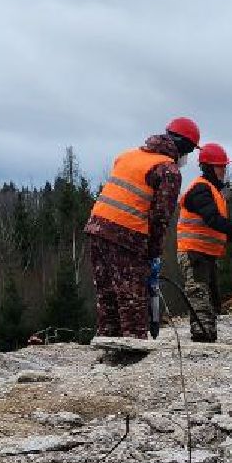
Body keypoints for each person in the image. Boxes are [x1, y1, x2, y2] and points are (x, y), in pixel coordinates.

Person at [84, 117, 198, 338]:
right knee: (132, 299)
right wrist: (153, 253)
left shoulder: (128, 155)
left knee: (107, 294)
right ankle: (133, 353)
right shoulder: (168, 170)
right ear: (184, 147)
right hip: (127, 236)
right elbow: (160, 217)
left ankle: (108, 344)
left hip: (97, 228)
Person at [175, 142, 232, 343]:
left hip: (205, 253)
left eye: (225, 166)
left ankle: (206, 335)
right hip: (193, 252)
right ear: (209, 167)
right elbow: (213, 220)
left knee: (211, 298)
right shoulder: (201, 190)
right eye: (221, 166)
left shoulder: (212, 191)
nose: (224, 171)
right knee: (199, 296)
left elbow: (215, 228)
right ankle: (202, 337)